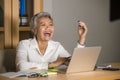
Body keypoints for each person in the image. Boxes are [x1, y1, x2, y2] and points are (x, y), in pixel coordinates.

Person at [16, 12, 88, 71]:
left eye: (51, 25)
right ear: (34, 30)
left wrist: (82, 38)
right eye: (43, 25)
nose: (48, 28)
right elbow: (21, 66)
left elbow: (73, 63)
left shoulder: (57, 46)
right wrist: (51, 64)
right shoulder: (24, 44)